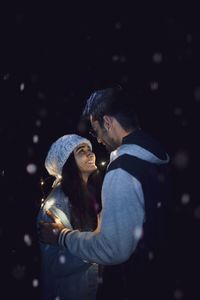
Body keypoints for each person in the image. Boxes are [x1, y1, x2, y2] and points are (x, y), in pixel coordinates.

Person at [39, 86, 172, 299]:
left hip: (137, 284)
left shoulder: (120, 172)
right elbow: (54, 264)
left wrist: (64, 237)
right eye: (81, 150)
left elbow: (112, 249)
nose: (98, 141)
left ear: (108, 123)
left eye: (96, 132)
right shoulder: (154, 155)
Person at [37, 134, 103, 300]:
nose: (90, 154)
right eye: (81, 151)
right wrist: (95, 250)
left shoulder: (88, 195)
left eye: (90, 149)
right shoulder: (55, 206)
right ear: (67, 163)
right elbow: (54, 265)